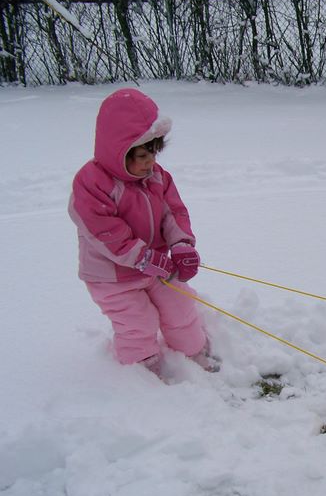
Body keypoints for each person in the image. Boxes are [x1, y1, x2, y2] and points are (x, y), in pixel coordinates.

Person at [68, 88, 218, 376]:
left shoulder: (156, 176)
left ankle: (193, 351)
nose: (150, 161)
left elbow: (173, 212)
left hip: (157, 266)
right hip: (112, 277)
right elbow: (104, 232)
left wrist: (182, 245)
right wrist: (142, 257)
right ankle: (142, 370)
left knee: (181, 306)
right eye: (141, 155)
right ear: (118, 151)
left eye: (153, 151)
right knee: (138, 323)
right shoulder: (92, 184)